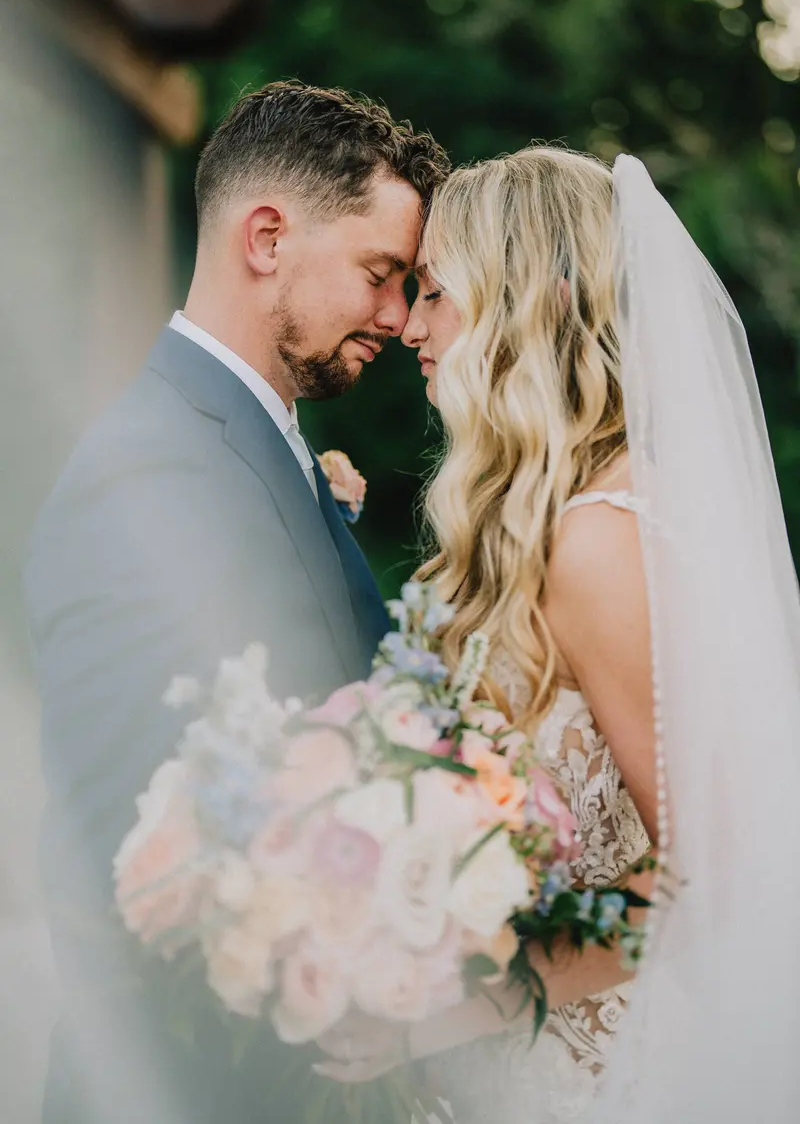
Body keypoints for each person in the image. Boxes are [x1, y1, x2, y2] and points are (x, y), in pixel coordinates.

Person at [317, 146, 800, 1123]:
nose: (411, 325)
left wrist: (440, 1017)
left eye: (437, 294)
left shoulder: (600, 542)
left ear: (524, 303)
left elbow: (709, 876)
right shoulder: (555, 523)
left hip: (592, 1077)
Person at [24, 80, 450, 1124]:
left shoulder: (260, 450)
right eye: (380, 274)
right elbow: (133, 854)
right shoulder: (155, 475)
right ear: (266, 237)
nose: (397, 319)